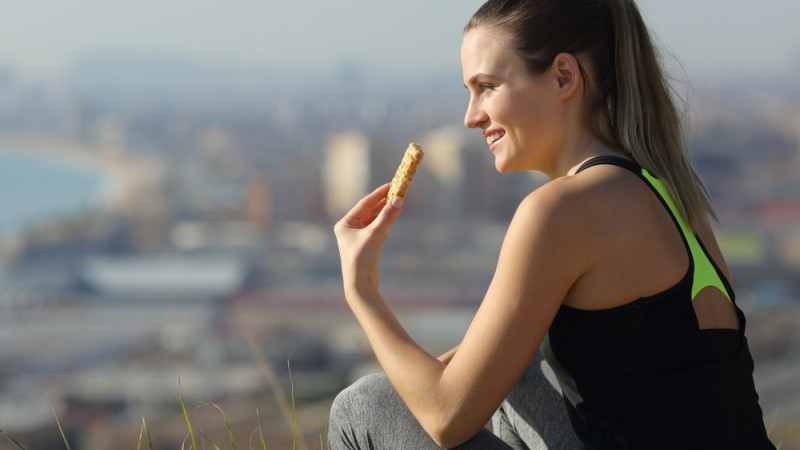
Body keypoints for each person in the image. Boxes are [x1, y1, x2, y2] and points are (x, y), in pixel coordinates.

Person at [328, 0, 775, 448]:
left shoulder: (560, 211)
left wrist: (360, 289)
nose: (471, 116)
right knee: (518, 375)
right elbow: (474, 372)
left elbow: (446, 415)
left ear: (564, 76)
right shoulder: (675, 196)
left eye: (487, 86)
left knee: (363, 405)